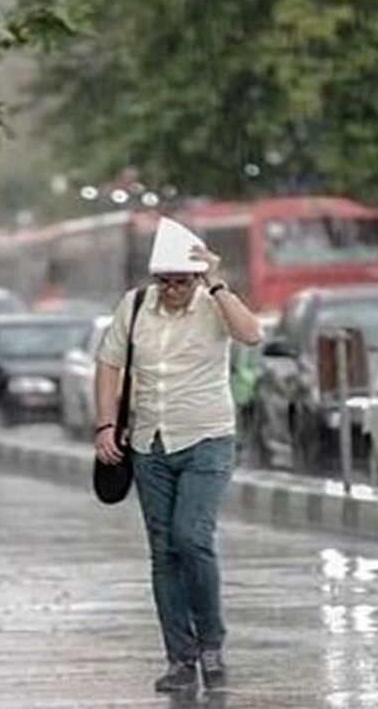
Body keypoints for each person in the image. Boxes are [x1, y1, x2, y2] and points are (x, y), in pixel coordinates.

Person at [94, 218, 262, 694]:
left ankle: (212, 643)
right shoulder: (136, 304)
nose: (170, 290)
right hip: (149, 442)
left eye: (180, 281)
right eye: (163, 280)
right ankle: (180, 658)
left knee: (192, 537)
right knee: (164, 551)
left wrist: (216, 282)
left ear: (195, 278)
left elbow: (251, 335)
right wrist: (106, 424)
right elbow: (109, 364)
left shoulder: (214, 304)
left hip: (206, 437)